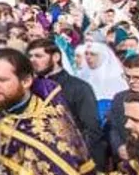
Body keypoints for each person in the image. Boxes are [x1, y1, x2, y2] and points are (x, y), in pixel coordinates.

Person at [29, 40, 108, 168]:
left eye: (38, 56)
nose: (32, 60)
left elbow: (91, 129)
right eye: (30, 56)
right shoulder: (30, 87)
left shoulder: (79, 87)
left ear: (55, 57)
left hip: (72, 159)